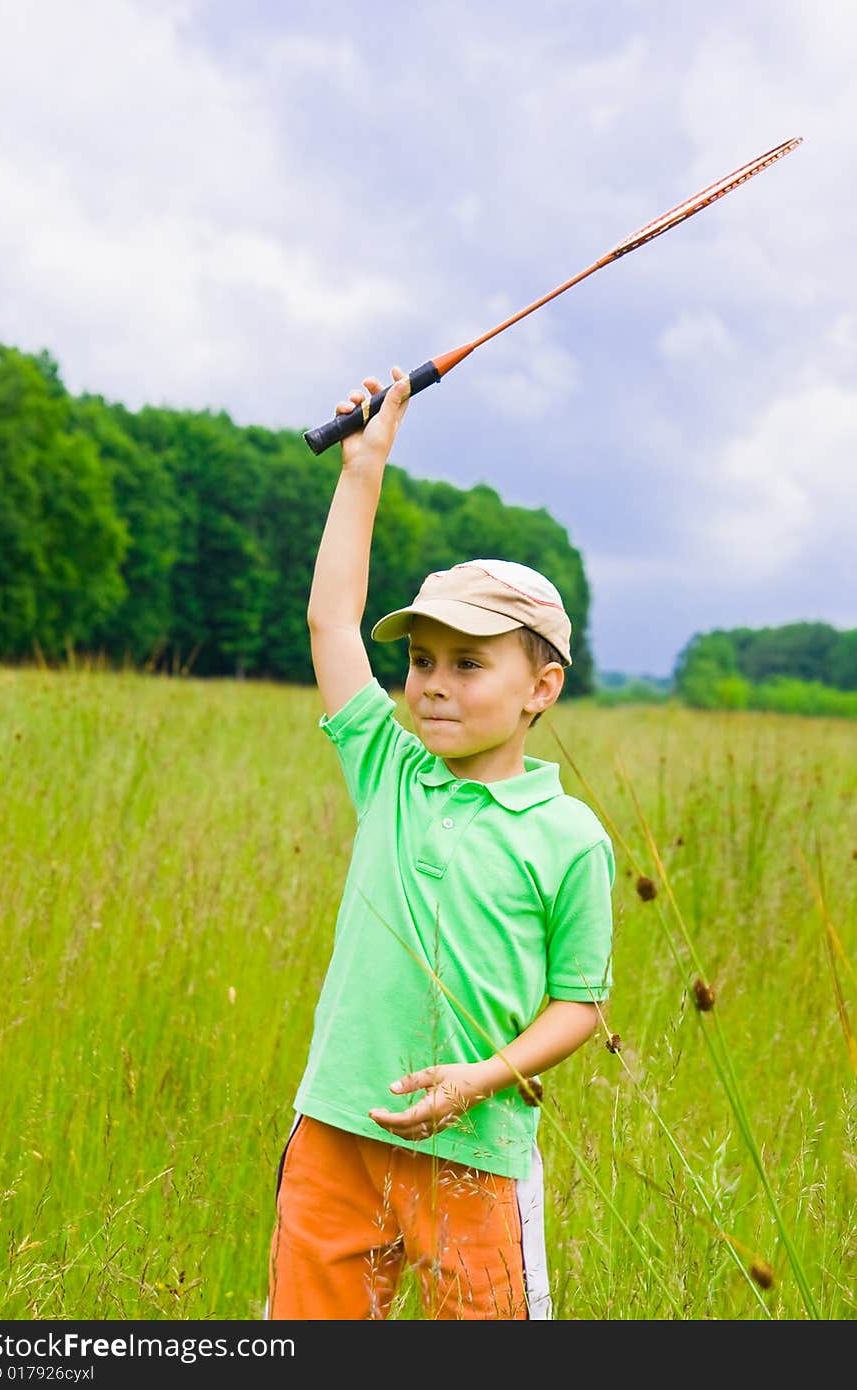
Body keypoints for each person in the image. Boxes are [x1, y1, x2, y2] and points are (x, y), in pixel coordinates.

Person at [264, 367, 615, 1321]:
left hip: (475, 1155)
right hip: (340, 1128)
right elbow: (331, 619)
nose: (432, 683)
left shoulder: (571, 838)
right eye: (421, 660)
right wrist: (364, 466)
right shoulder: (388, 769)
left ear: (541, 689)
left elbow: (578, 1007)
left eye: (468, 663)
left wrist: (482, 1078)